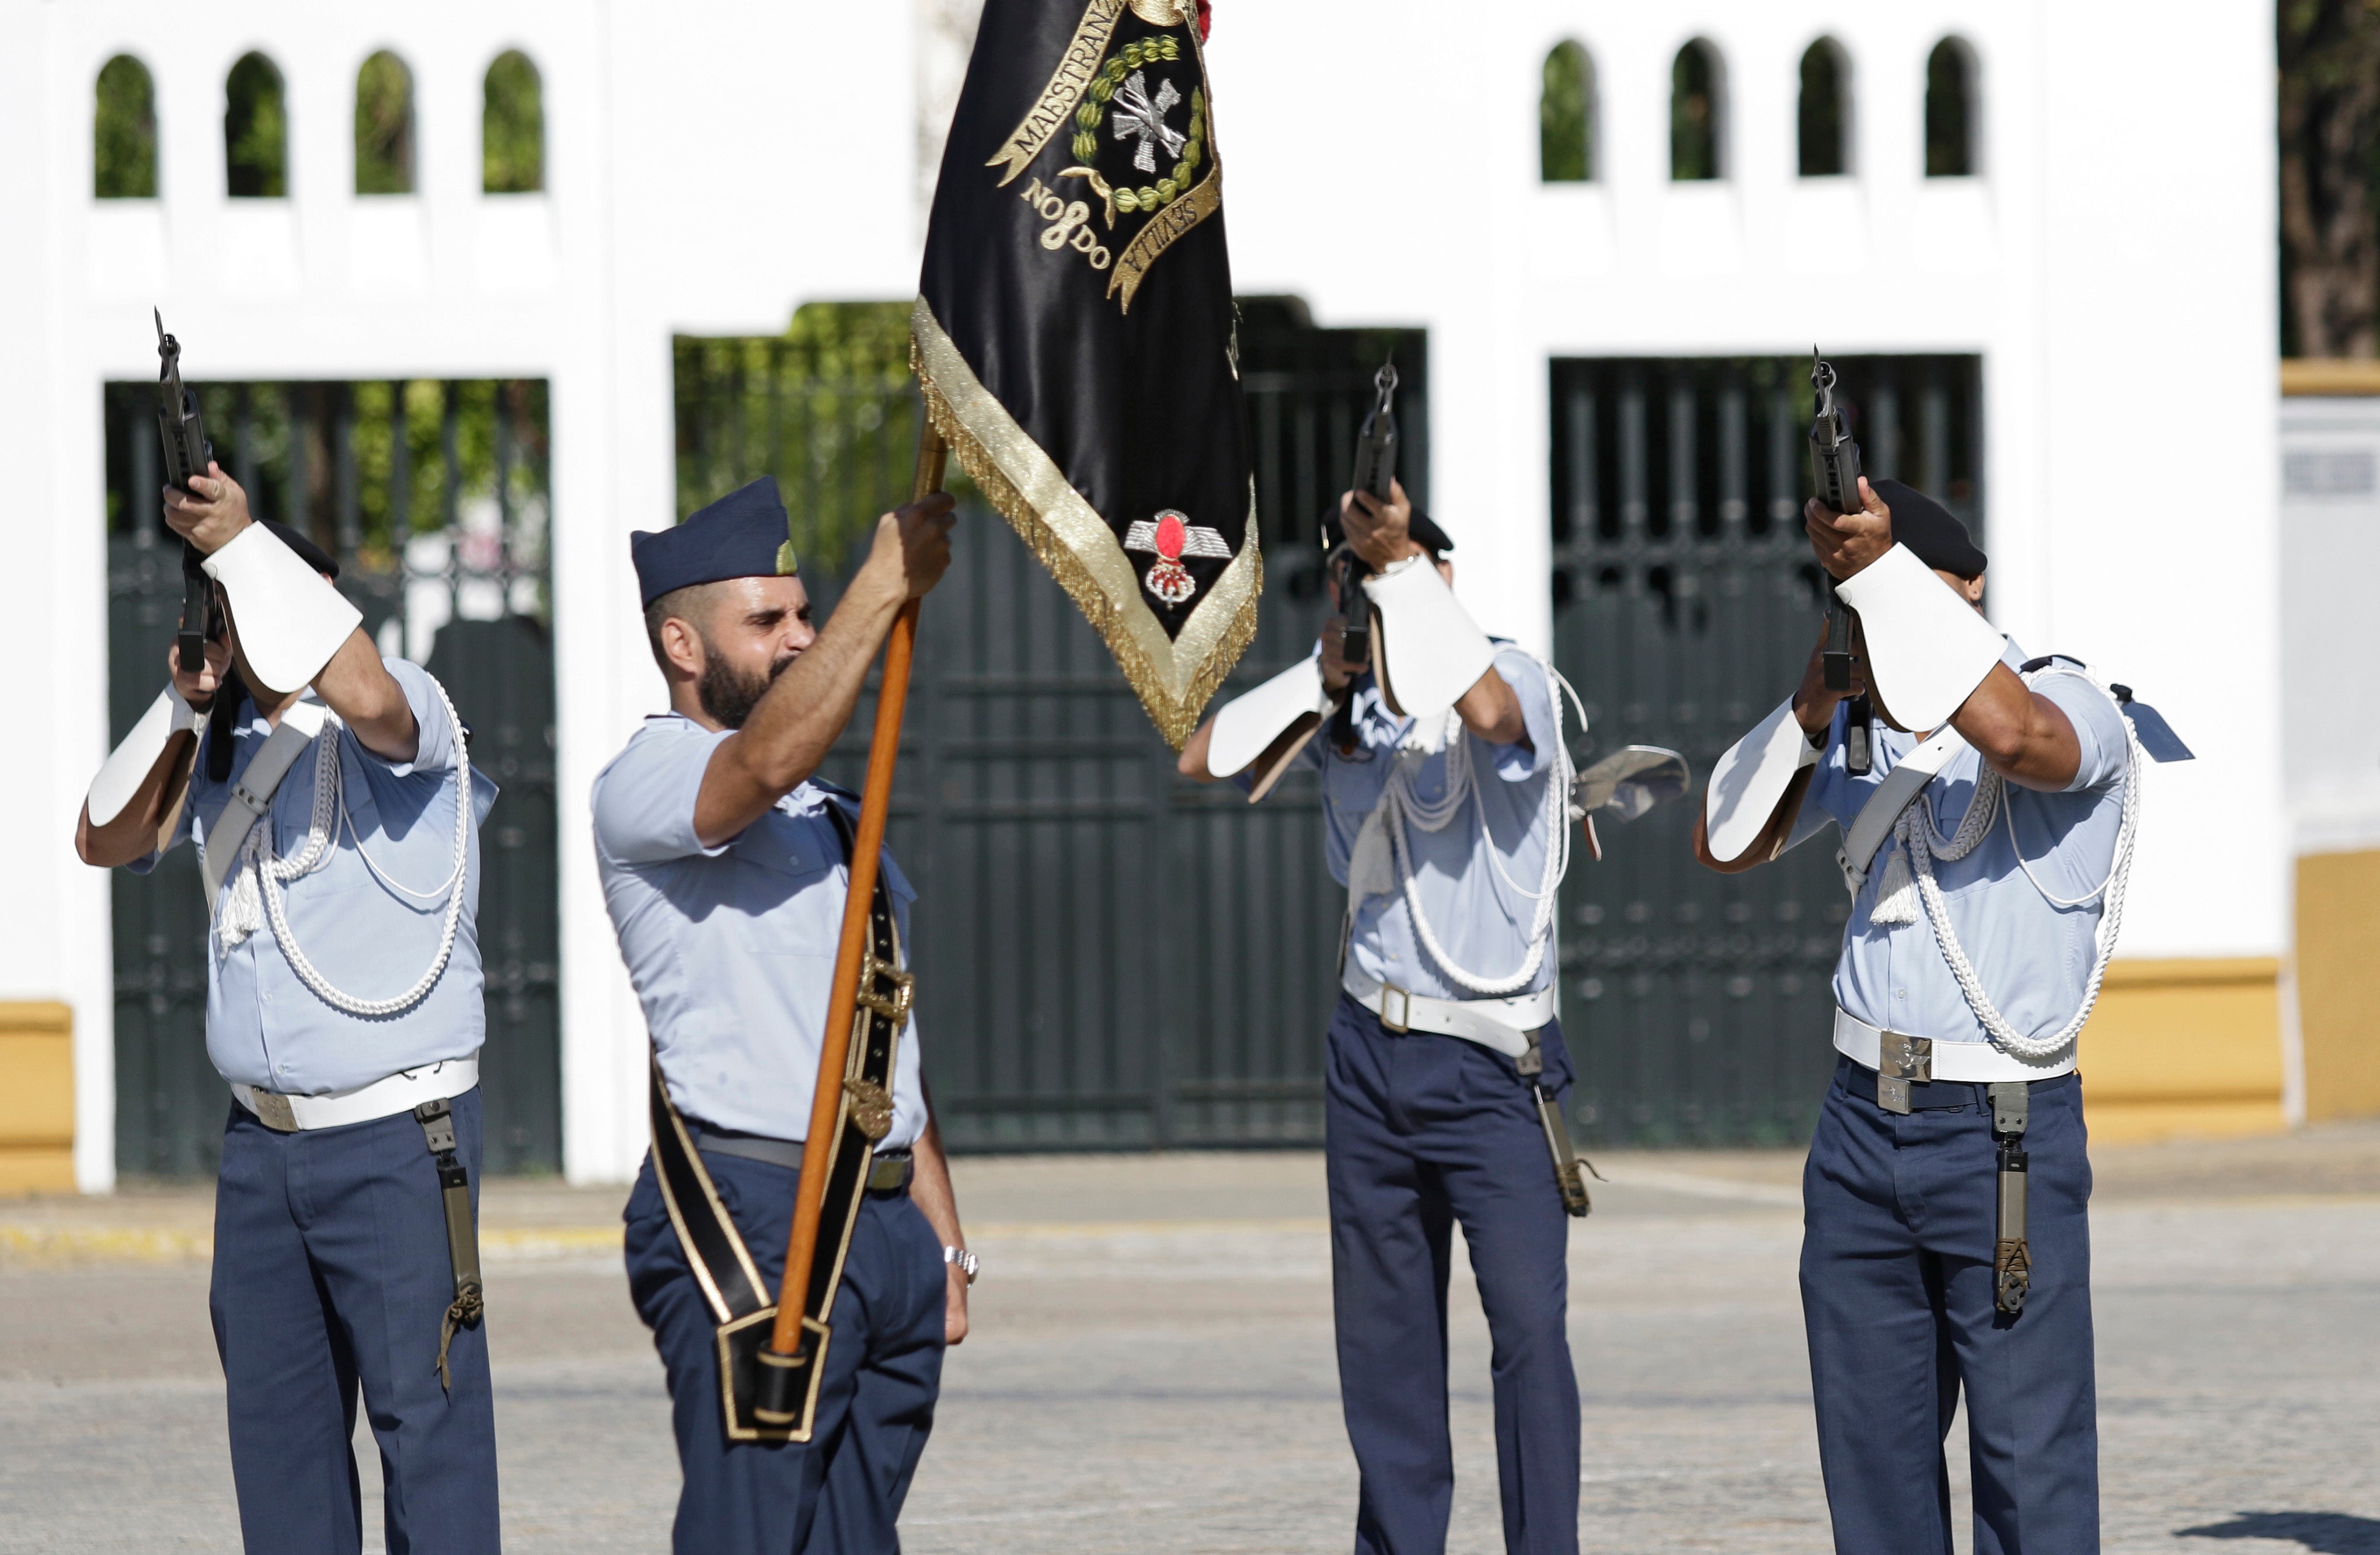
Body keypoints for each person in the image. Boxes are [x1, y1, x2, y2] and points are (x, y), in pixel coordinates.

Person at [1696, 476, 2161, 1554]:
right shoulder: (1863, 729)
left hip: (1999, 1131)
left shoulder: (2072, 696)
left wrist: (1887, 587)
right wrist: (1821, 690)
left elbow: (2020, 740)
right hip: (1860, 1125)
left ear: (1967, 588)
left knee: (2026, 1473)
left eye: (1908, 589)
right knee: (1873, 1469)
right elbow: (1724, 840)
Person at [76, 468, 500, 1554]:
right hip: (262, 1151)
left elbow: (369, 702)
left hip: (398, 1138)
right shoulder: (220, 753)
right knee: (281, 1453)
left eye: (261, 592)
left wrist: (246, 549)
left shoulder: (402, 694)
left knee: (431, 1439)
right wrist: (187, 699)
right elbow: (104, 837)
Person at [1179, 480, 1588, 1555]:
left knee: (1528, 1333)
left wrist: (1404, 583)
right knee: (1386, 1345)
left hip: (1493, 1064)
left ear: (1439, 584)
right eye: (1348, 587)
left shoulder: (1518, 682)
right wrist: (1322, 678)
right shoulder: (1343, 710)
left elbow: (1491, 716)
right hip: (1369, 1056)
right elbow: (1203, 755)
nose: (1364, 605)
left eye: (1392, 581)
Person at [591, 476, 971, 1554]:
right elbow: (759, 762)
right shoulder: (649, 781)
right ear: (681, 643)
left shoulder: (838, 825)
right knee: (750, 1536)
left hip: (885, 1223)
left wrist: (943, 1240)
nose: (802, 638)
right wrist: (879, 589)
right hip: (758, 1209)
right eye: (770, 621)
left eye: (808, 612)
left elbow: (889, 1044)